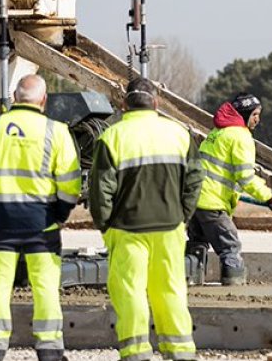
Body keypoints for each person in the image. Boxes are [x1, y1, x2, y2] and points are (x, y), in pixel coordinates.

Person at [88, 77, 203, 361]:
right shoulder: (179, 134)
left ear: (124, 104)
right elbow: (194, 181)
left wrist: (106, 226)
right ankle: (180, 351)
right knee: (171, 289)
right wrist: (182, 217)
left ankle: (136, 352)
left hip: (127, 229)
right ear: (156, 103)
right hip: (170, 227)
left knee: (130, 292)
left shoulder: (111, 137)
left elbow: (99, 191)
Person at [0, 75, 81, 361]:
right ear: (43, 100)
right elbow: (70, 182)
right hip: (41, 222)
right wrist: (61, 213)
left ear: (15, 98)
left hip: (1, 221)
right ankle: (50, 350)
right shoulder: (56, 131)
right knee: (45, 287)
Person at [185, 93, 272, 287]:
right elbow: (245, 177)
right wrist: (270, 197)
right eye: (255, 114)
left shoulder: (216, 133)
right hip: (212, 203)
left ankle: (190, 279)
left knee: (197, 243)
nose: (257, 119)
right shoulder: (240, 137)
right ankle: (234, 285)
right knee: (230, 246)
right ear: (244, 114)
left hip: (194, 200)